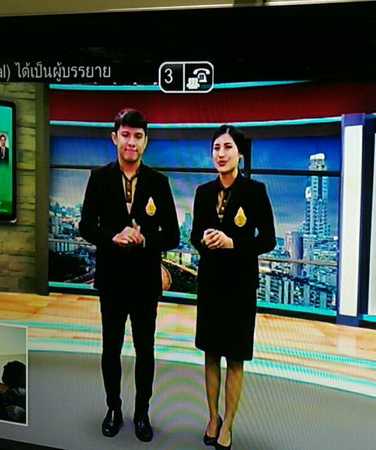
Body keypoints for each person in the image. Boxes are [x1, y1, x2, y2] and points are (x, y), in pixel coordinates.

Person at [79, 108, 180, 442]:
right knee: (111, 350)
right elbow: (85, 227)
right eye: (125, 135)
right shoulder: (99, 178)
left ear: (145, 141)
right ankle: (113, 408)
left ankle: (142, 413)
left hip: (144, 282)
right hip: (111, 280)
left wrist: (144, 239)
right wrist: (113, 236)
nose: (131, 142)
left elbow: (173, 235)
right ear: (115, 138)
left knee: (144, 351)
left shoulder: (159, 183)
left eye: (138, 136)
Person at [191, 125, 276, 450]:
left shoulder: (255, 191)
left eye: (227, 147)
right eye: (216, 147)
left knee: (235, 359)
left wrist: (232, 243)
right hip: (211, 284)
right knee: (211, 354)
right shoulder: (203, 192)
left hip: (240, 286)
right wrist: (204, 240)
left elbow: (267, 240)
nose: (221, 154)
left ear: (239, 154)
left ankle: (229, 423)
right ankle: (212, 417)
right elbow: (194, 235)